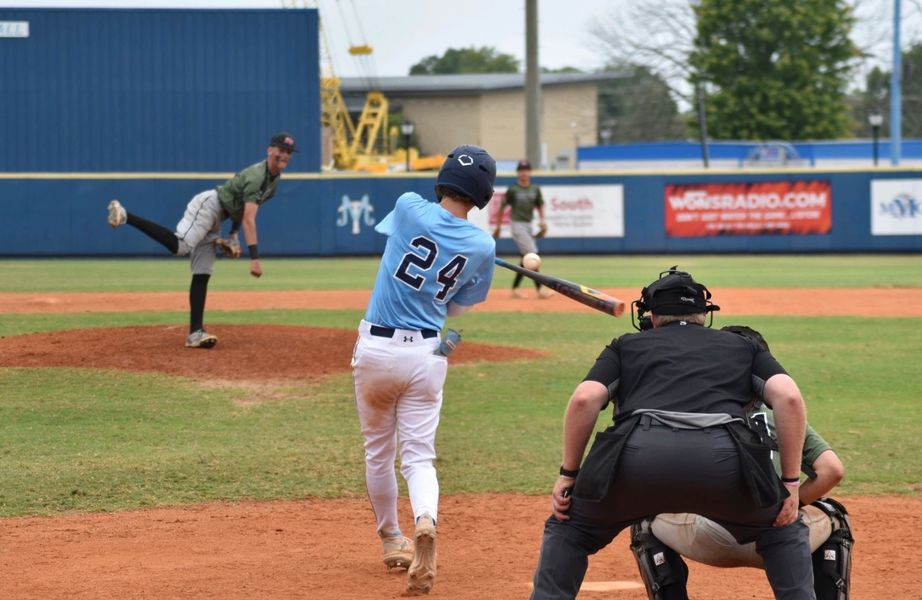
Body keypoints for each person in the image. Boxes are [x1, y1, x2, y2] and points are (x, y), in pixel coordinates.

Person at [530, 267, 816, 600]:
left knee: (571, 527)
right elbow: (790, 398)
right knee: (782, 529)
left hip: (636, 460)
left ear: (651, 315)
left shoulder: (626, 346)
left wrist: (569, 474)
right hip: (723, 463)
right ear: (703, 314)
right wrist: (791, 484)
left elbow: (584, 399)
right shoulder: (742, 346)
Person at [351, 145, 497, 595]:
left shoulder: (408, 207)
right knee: (419, 456)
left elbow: (399, 239)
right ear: (483, 194)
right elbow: (458, 305)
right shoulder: (483, 245)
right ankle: (426, 519)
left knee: (379, 451)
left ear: (444, 177)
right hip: (427, 355)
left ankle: (393, 540)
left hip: (376, 348)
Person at [630, 325, 853, 600]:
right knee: (834, 517)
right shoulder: (784, 417)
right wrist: (789, 505)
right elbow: (832, 471)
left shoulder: (691, 411)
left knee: (645, 518)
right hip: (783, 538)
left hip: (711, 537)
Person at [106, 133, 296, 348]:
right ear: (269, 150)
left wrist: (232, 235)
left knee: (202, 272)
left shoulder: (274, 180)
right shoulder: (256, 176)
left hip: (220, 216)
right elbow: (249, 220)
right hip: (208, 206)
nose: (285, 155)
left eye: (289, 152)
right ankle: (126, 216)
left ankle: (195, 333)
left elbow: (243, 210)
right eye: (281, 150)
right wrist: (254, 258)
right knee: (180, 246)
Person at [492, 159, 550, 298]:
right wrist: (498, 226)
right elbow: (502, 208)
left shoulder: (535, 189)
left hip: (529, 224)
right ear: (518, 173)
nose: (524, 173)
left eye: (526, 170)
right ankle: (540, 290)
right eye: (521, 170)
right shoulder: (513, 189)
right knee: (532, 254)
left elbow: (540, 205)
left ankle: (515, 288)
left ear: (530, 172)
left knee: (526, 257)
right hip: (517, 224)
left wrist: (542, 221)